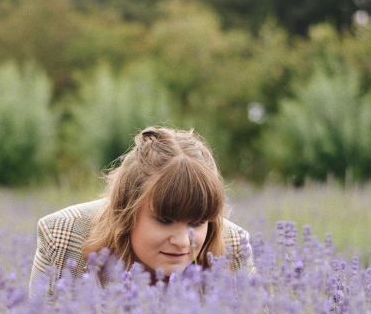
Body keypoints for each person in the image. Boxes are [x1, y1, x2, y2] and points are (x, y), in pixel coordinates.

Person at [29, 126, 254, 296]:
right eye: (165, 220)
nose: (183, 242)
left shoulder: (234, 248)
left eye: (197, 223)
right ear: (125, 212)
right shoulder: (65, 237)